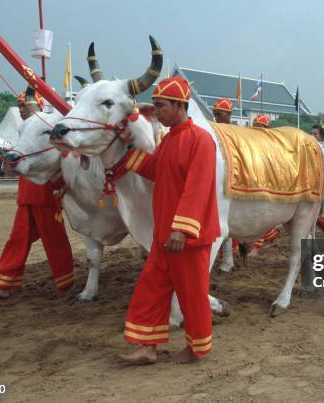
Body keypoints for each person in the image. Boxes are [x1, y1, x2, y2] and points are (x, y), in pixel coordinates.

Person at [119, 77, 220, 365]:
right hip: (164, 235)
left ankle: (197, 348)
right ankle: (147, 348)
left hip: (187, 238)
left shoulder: (201, 140)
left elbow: (197, 188)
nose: (157, 111)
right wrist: (127, 150)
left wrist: (181, 229)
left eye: (161, 106)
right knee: (150, 289)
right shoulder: (168, 139)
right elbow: (155, 170)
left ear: (180, 105)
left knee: (192, 296)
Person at [0, 89, 74, 298]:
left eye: (24, 105)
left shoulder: (50, 127)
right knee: (17, 239)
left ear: (38, 105)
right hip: (27, 195)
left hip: (46, 194)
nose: (21, 109)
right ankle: (3, 283)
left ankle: (66, 281)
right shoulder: (25, 130)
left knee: (54, 240)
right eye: (20, 105)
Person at [249, 113, 279, 257]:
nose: (256, 131)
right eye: (255, 128)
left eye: (260, 128)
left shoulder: (273, 146)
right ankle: (271, 237)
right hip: (252, 184)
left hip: (268, 186)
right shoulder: (249, 144)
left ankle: (256, 247)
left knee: (261, 215)